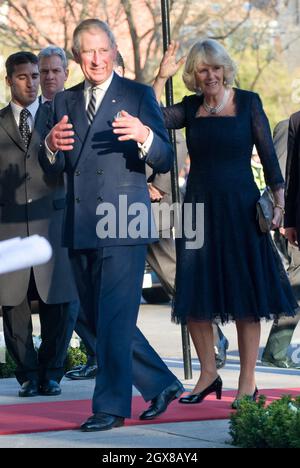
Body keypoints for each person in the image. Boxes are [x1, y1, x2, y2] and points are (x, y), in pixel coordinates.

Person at [39, 19, 183, 432]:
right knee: (95, 319)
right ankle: (161, 383)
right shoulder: (61, 103)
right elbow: (54, 170)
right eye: (88, 52)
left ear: (115, 51)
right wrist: (49, 148)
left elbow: (166, 160)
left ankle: (110, 407)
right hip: (81, 222)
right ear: (77, 57)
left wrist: (144, 136)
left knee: (116, 319)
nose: (97, 59)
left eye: (103, 50)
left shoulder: (137, 95)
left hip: (125, 219)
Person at [65, 51, 229, 381]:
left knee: (175, 279)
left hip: (158, 209)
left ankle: (213, 335)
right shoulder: (97, 106)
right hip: (113, 214)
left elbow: (164, 146)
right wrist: (159, 79)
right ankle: (109, 357)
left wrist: (157, 185)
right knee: (97, 299)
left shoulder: (141, 104)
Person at [153, 39, 298, 408]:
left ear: (225, 70)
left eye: (216, 68)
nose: (211, 75)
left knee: (245, 297)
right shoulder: (189, 108)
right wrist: (159, 77)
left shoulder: (249, 102)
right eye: (203, 70)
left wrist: (280, 201)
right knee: (195, 297)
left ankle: (247, 381)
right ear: (194, 76)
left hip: (240, 211)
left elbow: (269, 157)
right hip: (198, 212)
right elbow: (151, 115)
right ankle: (207, 374)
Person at [0, 52, 78, 398]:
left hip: (53, 224)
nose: (31, 82)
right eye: (23, 77)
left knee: (57, 303)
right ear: (9, 81)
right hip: (9, 227)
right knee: (13, 304)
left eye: (35, 75)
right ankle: (29, 375)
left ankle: (52, 373)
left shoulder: (58, 117)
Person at [261, 119, 300, 369]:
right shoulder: (289, 125)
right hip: (289, 219)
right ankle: (276, 350)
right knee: (296, 281)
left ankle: (276, 350)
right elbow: (282, 174)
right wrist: (285, 216)